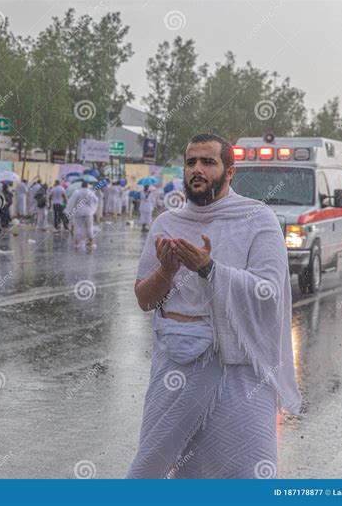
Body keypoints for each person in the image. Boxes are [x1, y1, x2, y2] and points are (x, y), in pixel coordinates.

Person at [126, 133, 301, 479]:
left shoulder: (258, 219)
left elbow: (269, 295)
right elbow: (146, 300)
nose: (197, 169)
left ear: (230, 171)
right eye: (191, 162)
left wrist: (209, 269)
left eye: (208, 162)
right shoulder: (167, 224)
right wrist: (167, 269)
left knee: (244, 474)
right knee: (159, 471)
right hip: (174, 369)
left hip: (238, 372)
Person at [65, 181, 98, 250]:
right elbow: (95, 200)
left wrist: (70, 211)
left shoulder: (77, 192)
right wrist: (92, 210)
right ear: (87, 186)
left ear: (81, 186)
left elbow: (72, 202)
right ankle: (91, 242)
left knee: (78, 228)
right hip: (88, 212)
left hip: (78, 212)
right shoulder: (91, 192)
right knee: (89, 227)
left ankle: (77, 243)